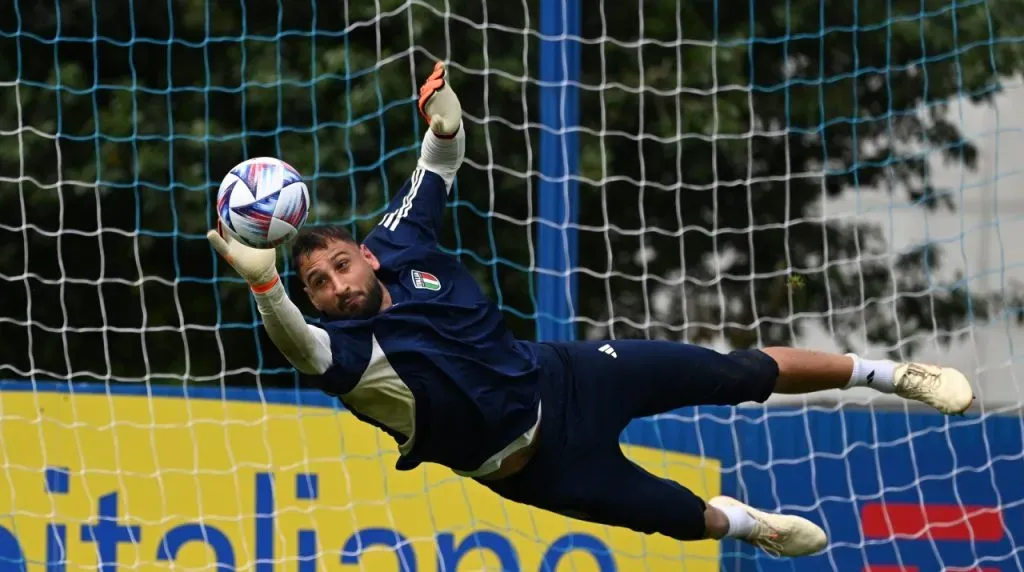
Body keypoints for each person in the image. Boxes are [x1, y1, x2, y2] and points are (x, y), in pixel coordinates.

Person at [206, 61, 975, 558]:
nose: (336, 286)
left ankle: (894, 374)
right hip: (539, 468)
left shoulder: (398, 242)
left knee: (732, 370)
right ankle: (753, 527)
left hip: (569, 376)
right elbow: (299, 346)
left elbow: (440, 157)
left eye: (339, 265)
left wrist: (445, 116)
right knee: (684, 518)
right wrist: (266, 285)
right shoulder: (344, 353)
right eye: (319, 286)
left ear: (365, 255)